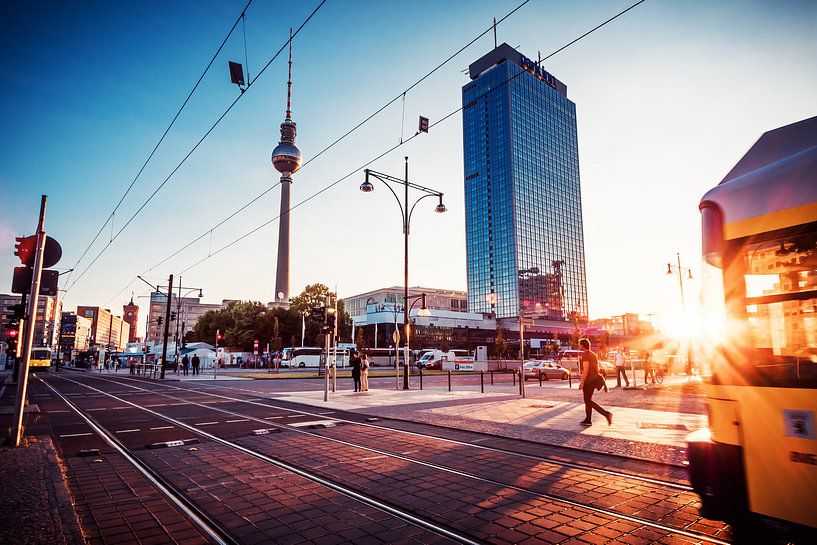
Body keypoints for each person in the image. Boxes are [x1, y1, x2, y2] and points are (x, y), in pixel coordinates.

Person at [578, 338, 612, 427]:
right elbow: (597, 369)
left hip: (588, 381)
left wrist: (582, 382)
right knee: (587, 400)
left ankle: (606, 414)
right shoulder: (593, 355)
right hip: (593, 380)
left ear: (582, 345)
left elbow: (585, 370)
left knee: (587, 400)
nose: (578, 346)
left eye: (579, 344)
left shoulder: (585, 355)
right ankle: (588, 419)